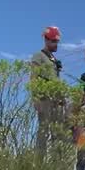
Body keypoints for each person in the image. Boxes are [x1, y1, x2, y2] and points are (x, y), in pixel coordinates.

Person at [31, 26, 63, 155]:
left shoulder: (53, 59)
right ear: (46, 40)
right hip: (44, 98)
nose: (56, 44)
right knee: (43, 130)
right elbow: (33, 77)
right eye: (53, 41)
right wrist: (36, 99)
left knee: (57, 131)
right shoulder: (39, 56)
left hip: (56, 100)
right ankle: (39, 161)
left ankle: (55, 163)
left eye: (57, 41)